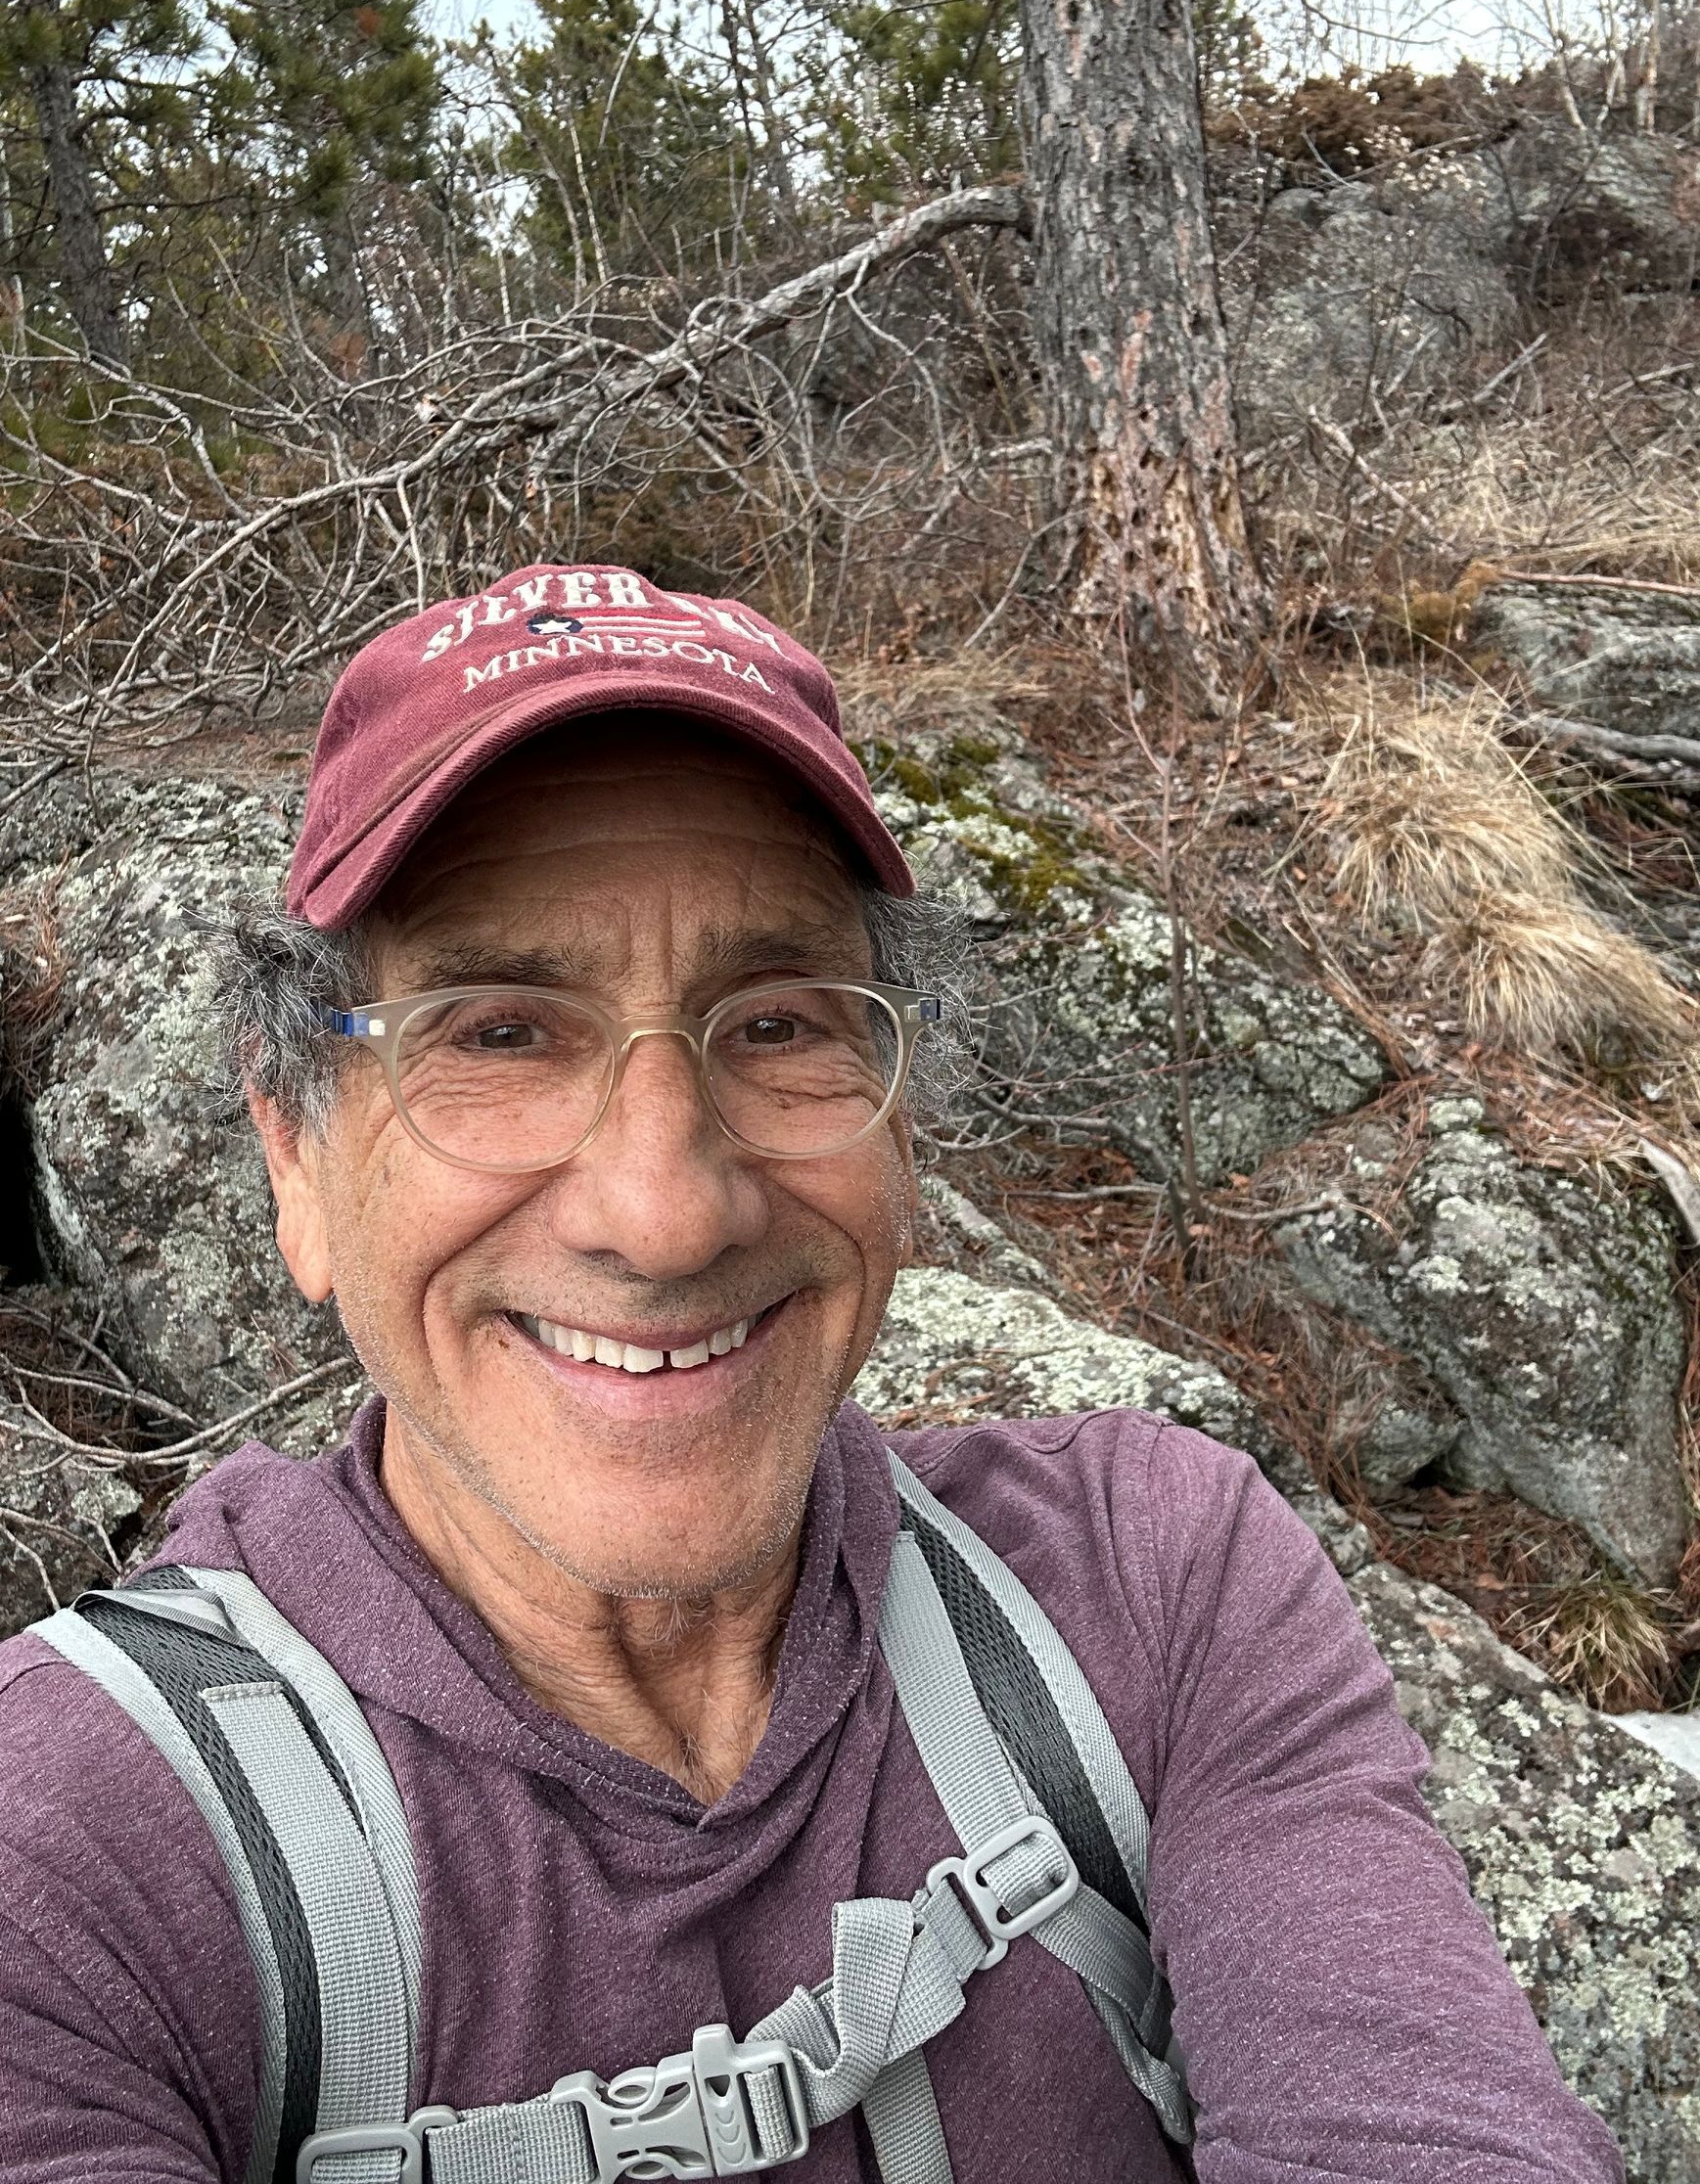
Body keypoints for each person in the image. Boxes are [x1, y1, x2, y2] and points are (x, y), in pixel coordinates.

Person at [0, 563, 1622, 2184]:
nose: (664, 1210)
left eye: (777, 1024)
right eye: (497, 1032)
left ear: (900, 1127)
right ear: (296, 1155)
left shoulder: (1148, 1587)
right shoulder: (69, 1849)